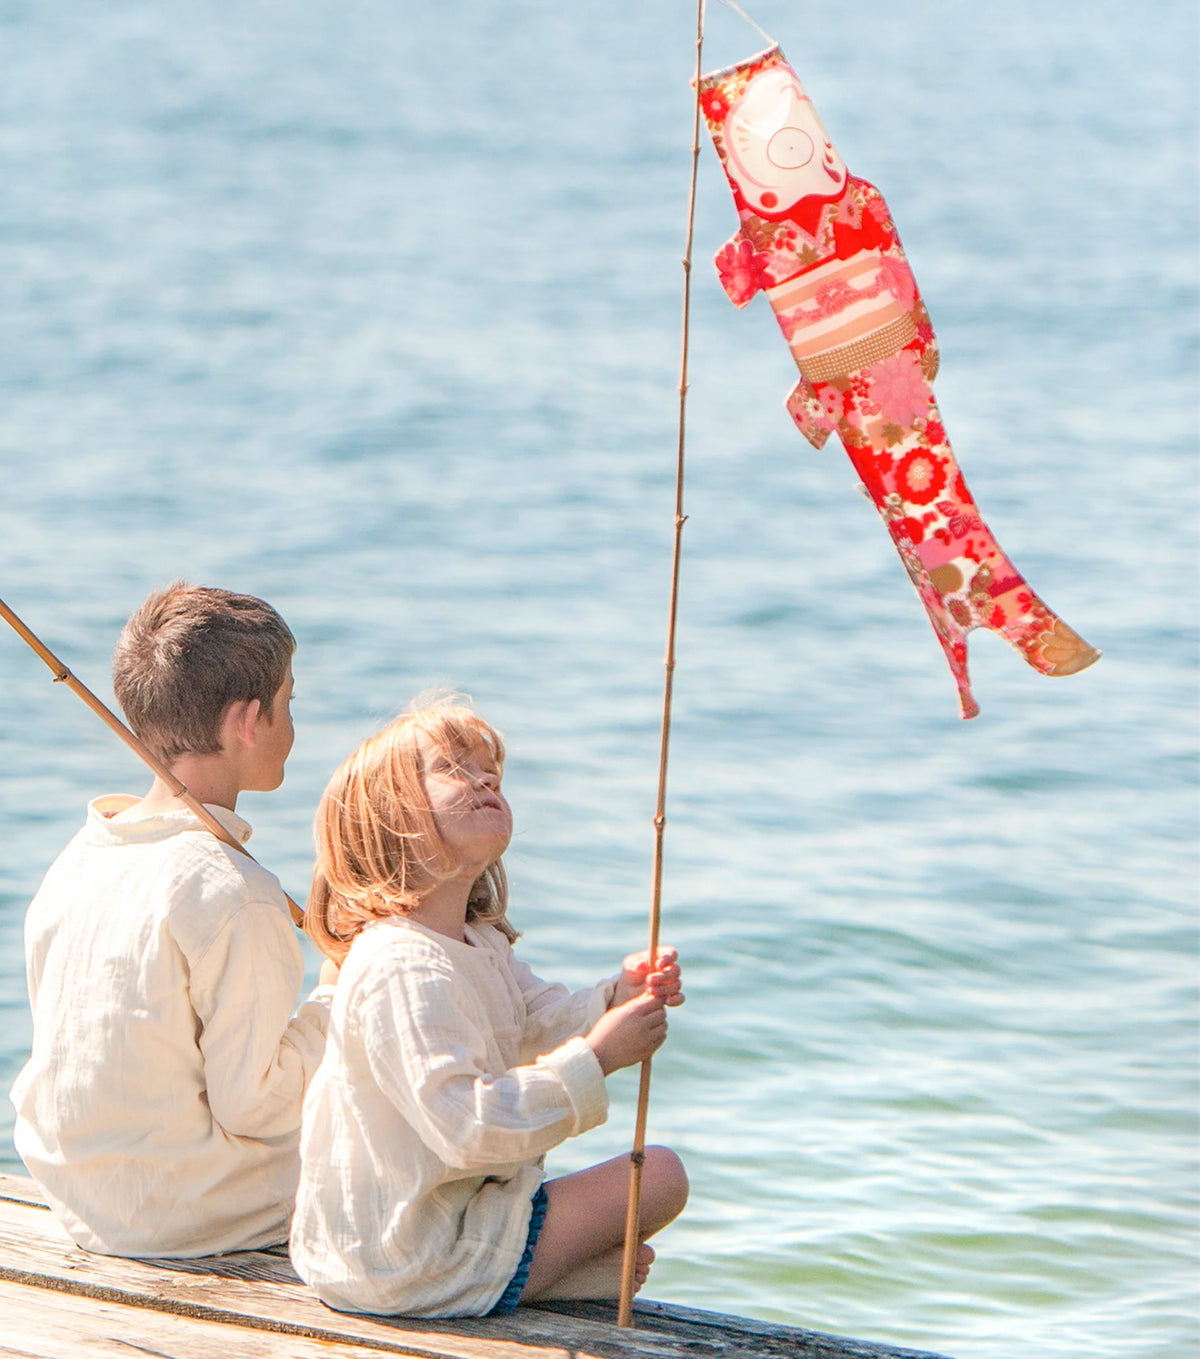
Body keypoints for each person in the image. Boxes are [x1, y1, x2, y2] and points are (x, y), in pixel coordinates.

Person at [291, 695, 688, 1317]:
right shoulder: (399, 961)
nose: (486, 779)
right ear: (389, 815)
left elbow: (534, 1024)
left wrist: (615, 997)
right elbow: (468, 1128)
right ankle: (526, 1276)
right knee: (659, 1175)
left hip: (451, 1214)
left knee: (655, 1180)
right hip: (398, 1255)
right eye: (453, 766)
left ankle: (533, 1269)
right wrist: (600, 1056)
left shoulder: (477, 943)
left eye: (491, 770)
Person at [10, 582, 334, 1258]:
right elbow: (259, 1105)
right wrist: (341, 984)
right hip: (194, 1216)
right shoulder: (234, 891)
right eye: (286, 703)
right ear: (248, 723)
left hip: (86, 1201)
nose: (292, 724)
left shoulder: (80, 857)